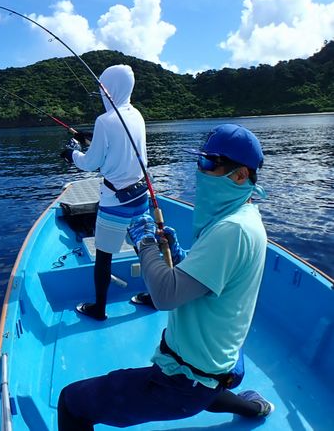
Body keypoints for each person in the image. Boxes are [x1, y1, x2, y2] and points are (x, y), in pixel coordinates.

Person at [57, 124, 273, 430]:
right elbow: (214, 282)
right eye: (200, 161)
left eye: (209, 164)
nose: (200, 170)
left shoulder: (231, 230)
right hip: (222, 363)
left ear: (240, 175)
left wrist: (144, 244)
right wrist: (178, 254)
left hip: (184, 379)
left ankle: (242, 404)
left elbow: (166, 296)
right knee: (207, 391)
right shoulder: (244, 218)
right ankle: (255, 408)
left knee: (72, 402)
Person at [60, 64, 149, 321]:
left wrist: (70, 154)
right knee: (145, 248)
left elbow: (90, 163)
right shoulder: (137, 115)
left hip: (114, 203)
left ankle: (99, 309)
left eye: (103, 86)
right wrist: (90, 137)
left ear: (110, 88)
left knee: (104, 256)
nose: (101, 91)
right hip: (140, 198)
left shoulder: (105, 120)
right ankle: (153, 296)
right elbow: (120, 144)